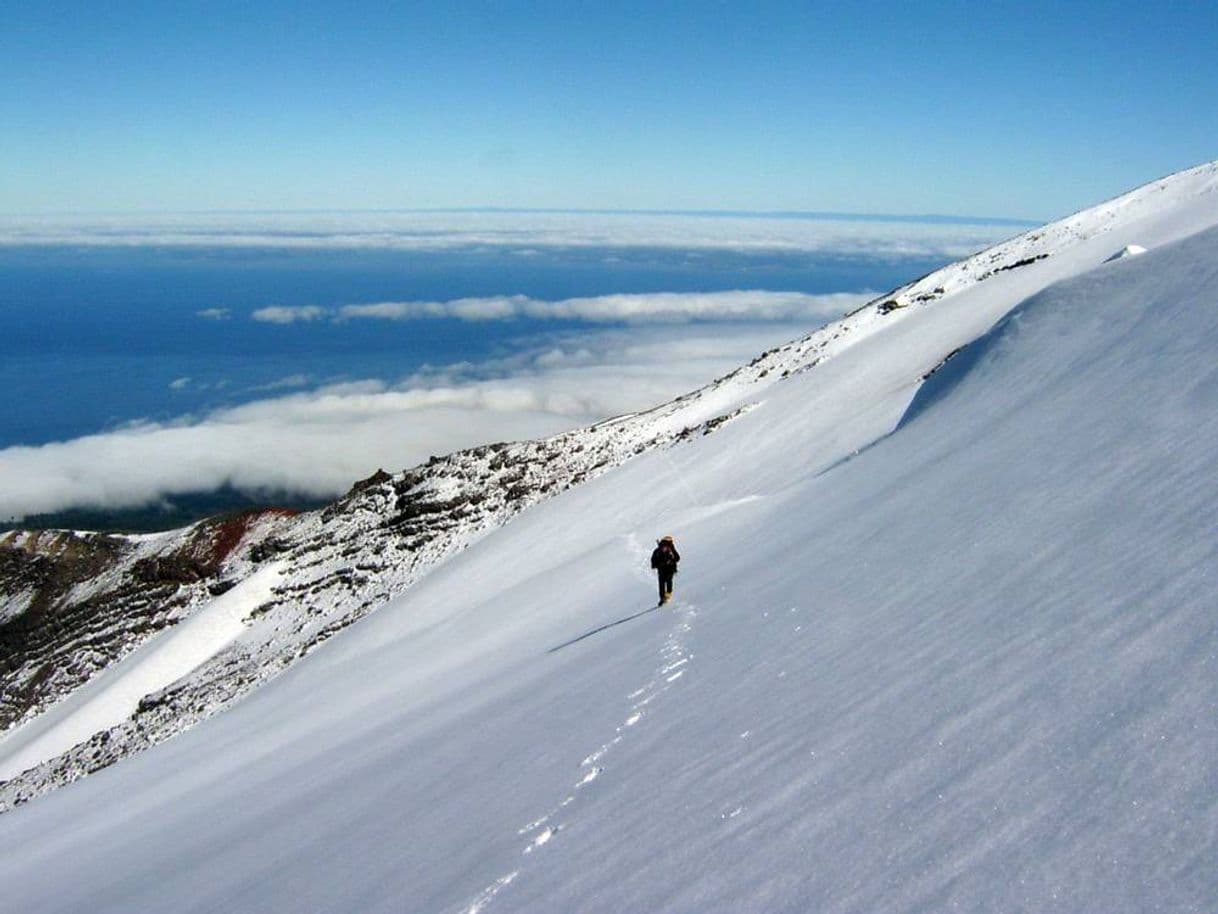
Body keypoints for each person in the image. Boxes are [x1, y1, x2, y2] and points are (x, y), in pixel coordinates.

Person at [650, 535, 680, 605]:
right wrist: (660, 564)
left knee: (669, 581)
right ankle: (662, 598)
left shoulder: (671, 550)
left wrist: (671, 560)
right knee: (662, 585)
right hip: (661, 571)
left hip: (670, 570)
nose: (665, 548)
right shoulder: (657, 552)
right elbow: (653, 563)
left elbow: (677, 558)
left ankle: (668, 595)